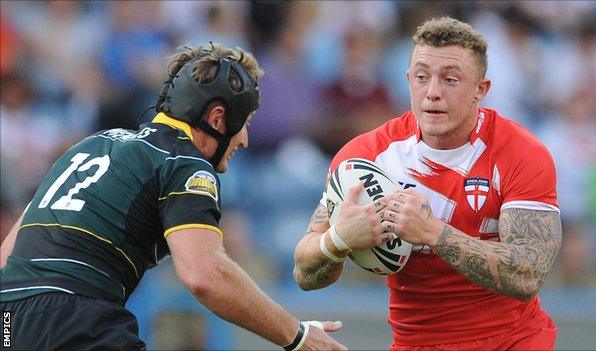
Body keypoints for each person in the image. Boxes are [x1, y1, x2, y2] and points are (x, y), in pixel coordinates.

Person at [0, 43, 346, 351]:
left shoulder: (90, 145)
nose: (245, 141)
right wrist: (297, 336)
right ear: (217, 117)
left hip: (8, 321)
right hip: (77, 318)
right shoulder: (184, 163)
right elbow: (204, 274)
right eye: (246, 123)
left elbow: (7, 256)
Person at [293, 17, 562, 351]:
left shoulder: (521, 153)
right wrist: (339, 239)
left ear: (481, 89)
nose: (432, 92)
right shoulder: (365, 158)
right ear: (408, 81)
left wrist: (432, 232)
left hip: (512, 341)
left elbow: (528, 275)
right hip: (416, 343)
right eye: (422, 77)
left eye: (450, 79)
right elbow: (305, 274)